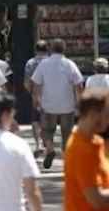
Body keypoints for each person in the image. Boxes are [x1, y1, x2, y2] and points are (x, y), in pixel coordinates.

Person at [31, 38, 84, 169]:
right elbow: (79, 84)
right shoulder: (69, 64)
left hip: (48, 105)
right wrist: (79, 101)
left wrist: (36, 99)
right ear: (64, 50)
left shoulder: (44, 64)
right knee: (67, 133)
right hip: (67, 105)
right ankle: (67, 162)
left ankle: (50, 148)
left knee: (46, 131)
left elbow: (36, 83)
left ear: (50, 49)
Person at [63, 87, 109, 210]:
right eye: (107, 115)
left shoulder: (96, 142)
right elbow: (96, 199)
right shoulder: (80, 149)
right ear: (93, 114)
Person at [24, 40, 49, 157]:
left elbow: (27, 81)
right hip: (50, 94)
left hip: (36, 94)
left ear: (36, 49)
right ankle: (47, 143)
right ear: (47, 49)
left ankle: (38, 144)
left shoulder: (30, 63)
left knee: (35, 119)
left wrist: (31, 92)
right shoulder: (50, 62)